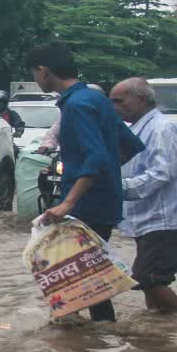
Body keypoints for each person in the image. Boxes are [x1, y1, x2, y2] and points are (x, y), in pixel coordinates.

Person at [25, 43, 144, 322]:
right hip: (103, 200)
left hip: (87, 205)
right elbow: (128, 145)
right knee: (84, 280)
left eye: (34, 73)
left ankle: (94, 342)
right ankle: (89, 345)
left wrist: (69, 201)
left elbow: (97, 155)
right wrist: (106, 176)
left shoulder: (77, 105)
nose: (36, 79)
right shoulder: (95, 99)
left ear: (43, 71)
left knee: (84, 283)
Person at [109, 77, 177, 314]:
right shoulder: (136, 129)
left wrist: (118, 188)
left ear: (141, 100)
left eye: (118, 100)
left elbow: (161, 173)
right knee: (150, 280)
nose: (114, 106)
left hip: (167, 219)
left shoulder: (162, 129)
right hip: (149, 220)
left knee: (149, 278)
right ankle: (159, 327)